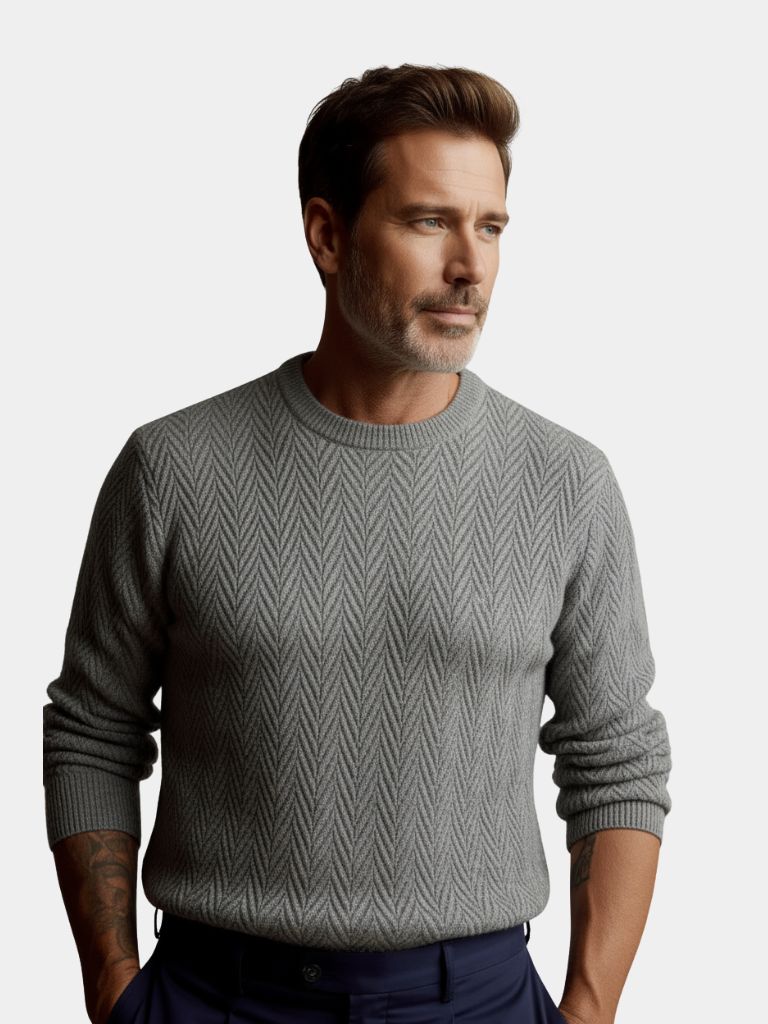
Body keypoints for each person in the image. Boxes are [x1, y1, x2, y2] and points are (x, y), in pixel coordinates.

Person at [43, 63, 672, 1024]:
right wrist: (112, 985)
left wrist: (587, 1012)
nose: (469, 266)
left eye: (491, 227)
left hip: (479, 1001)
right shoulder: (173, 468)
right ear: (327, 235)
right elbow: (93, 728)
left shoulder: (565, 483)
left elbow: (617, 757)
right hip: (216, 995)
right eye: (429, 221)